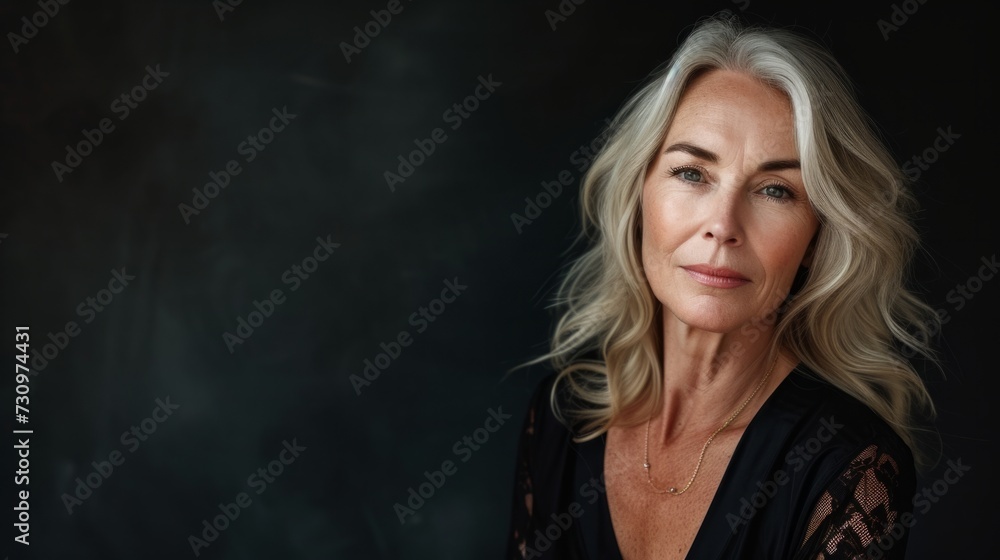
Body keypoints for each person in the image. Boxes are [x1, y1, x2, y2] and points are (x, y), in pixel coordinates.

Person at [506, 13, 940, 560]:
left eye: (776, 190)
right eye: (692, 173)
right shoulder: (562, 414)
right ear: (640, 194)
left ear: (817, 238)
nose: (724, 225)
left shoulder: (851, 471)